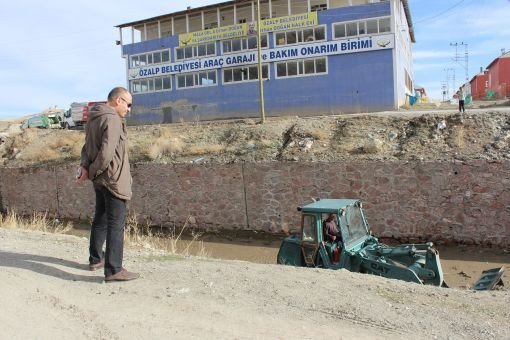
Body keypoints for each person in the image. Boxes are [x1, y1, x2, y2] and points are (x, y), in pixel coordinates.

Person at [76, 87, 139, 282]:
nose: (129, 109)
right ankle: (114, 269)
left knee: (101, 219)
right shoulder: (112, 119)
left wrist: (87, 168)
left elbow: (86, 148)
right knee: (115, 224)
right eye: (128, 104)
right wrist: (93, 170)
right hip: (112, 179)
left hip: (100, 179)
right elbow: (106, 152)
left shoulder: (94, 117)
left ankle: (96, 258)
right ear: (118, 100)